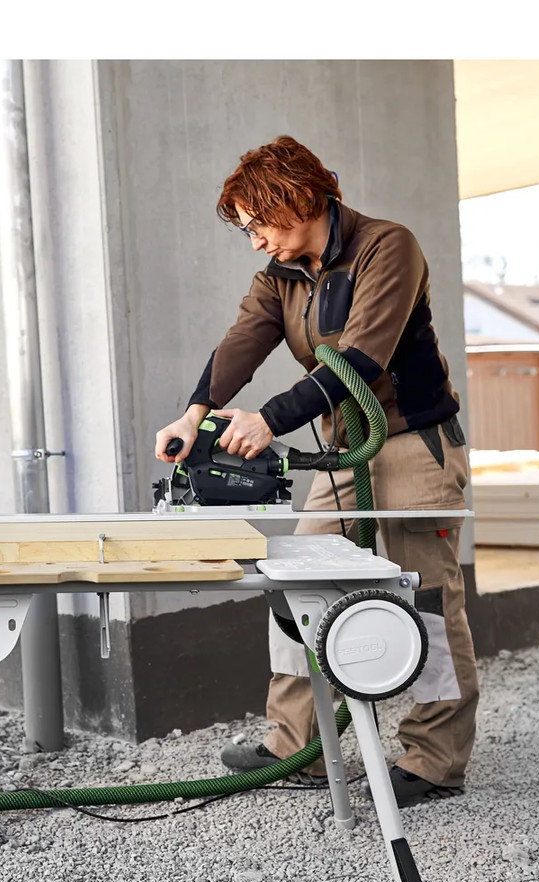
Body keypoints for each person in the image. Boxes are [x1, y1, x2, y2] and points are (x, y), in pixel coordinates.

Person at [153, 136, 478, 808]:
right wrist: (193, 414)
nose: (254, 240)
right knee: (296, 583)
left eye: (258, 224)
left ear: (297, 199)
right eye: (246, 229)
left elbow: (360, 360)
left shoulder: (389, 246)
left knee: (425, 598)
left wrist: (270, 420)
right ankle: (295, 744)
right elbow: (240, 344)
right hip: (344, 453)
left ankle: (434, 758)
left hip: (412, 445)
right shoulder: (279, 276)